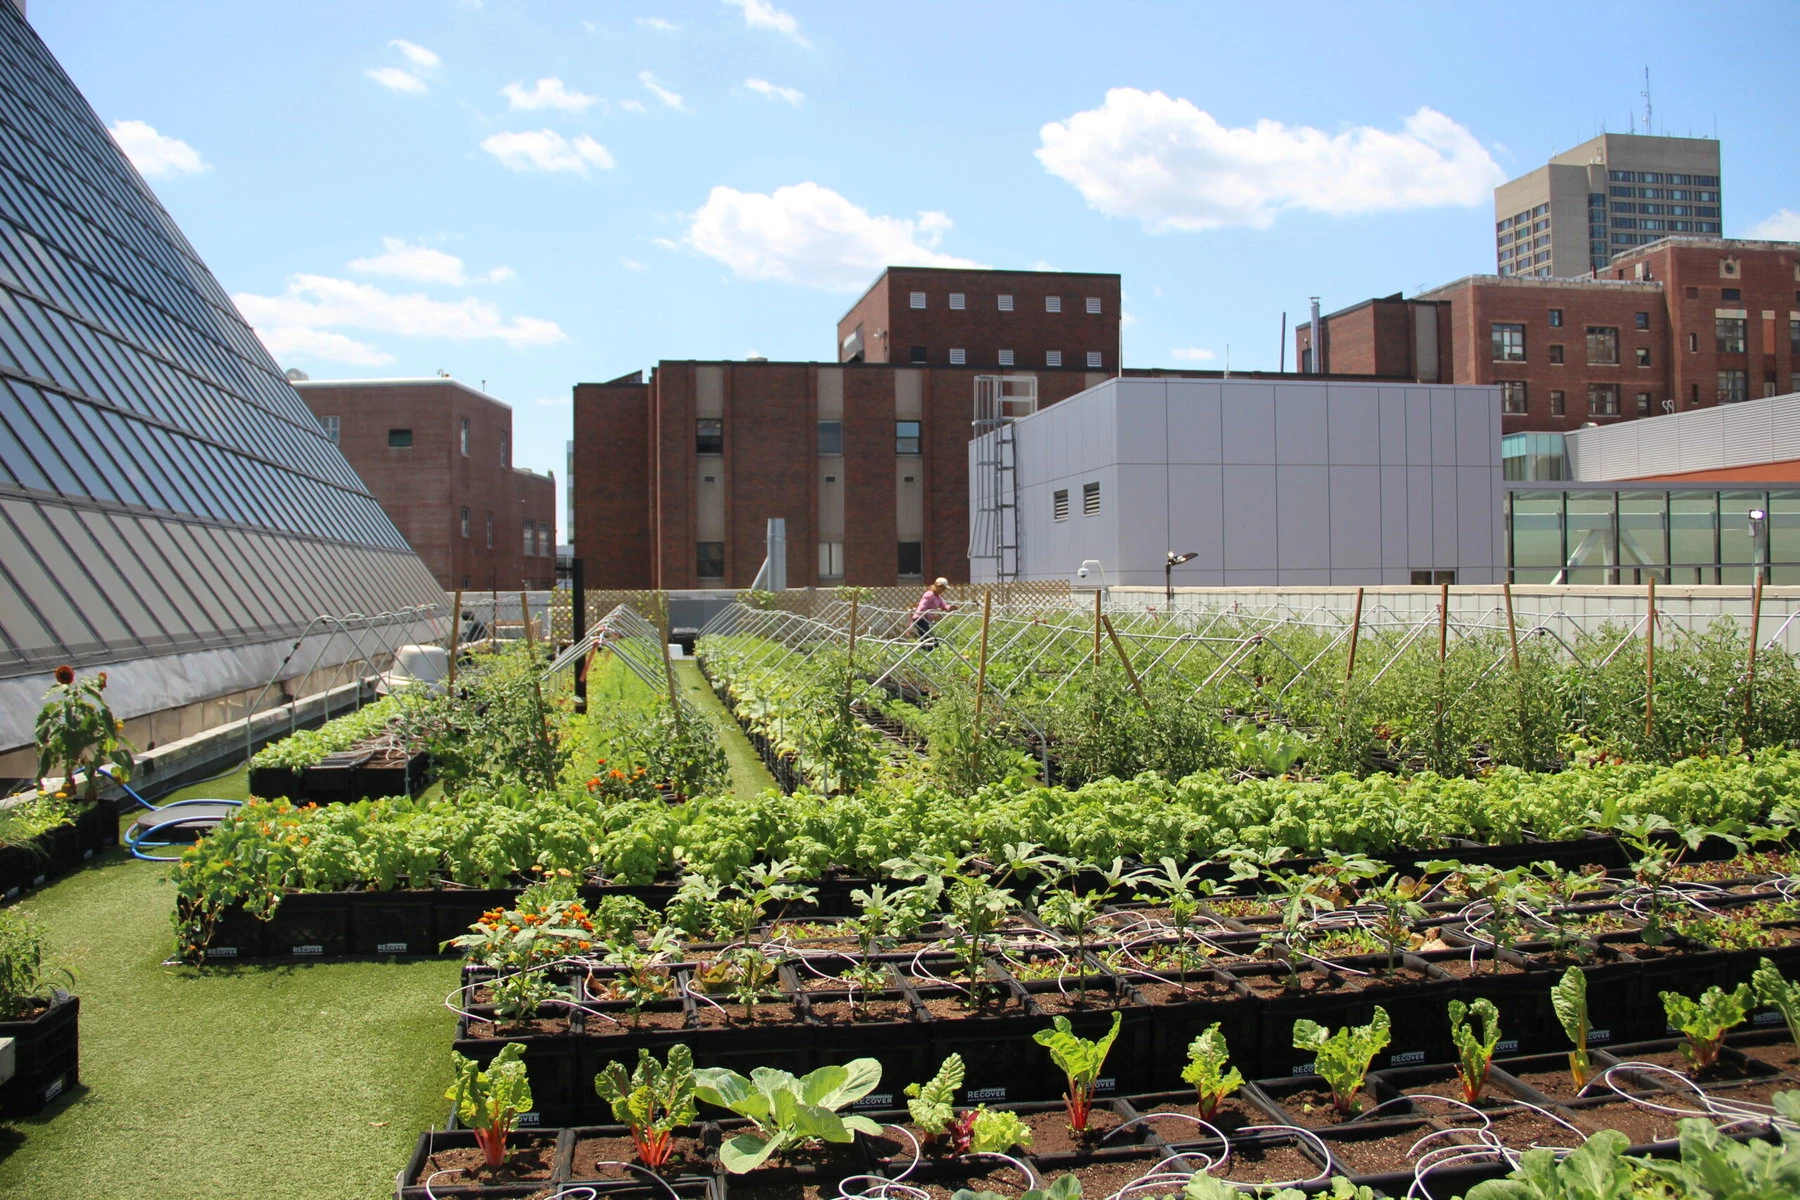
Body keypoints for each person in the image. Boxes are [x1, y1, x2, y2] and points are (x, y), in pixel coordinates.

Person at [911, 577, 956, 645]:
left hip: (926, 619)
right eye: (943, 588)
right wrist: (933, 616)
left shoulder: (937, 596)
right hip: (920, 618)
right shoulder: (929, 594)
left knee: (927, 637)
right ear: (938, 586)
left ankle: (925, 651)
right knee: (928, 638)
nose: (943, 590)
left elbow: (943, 606)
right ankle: (925, 651)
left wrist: (951, 607)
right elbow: (922, 608)